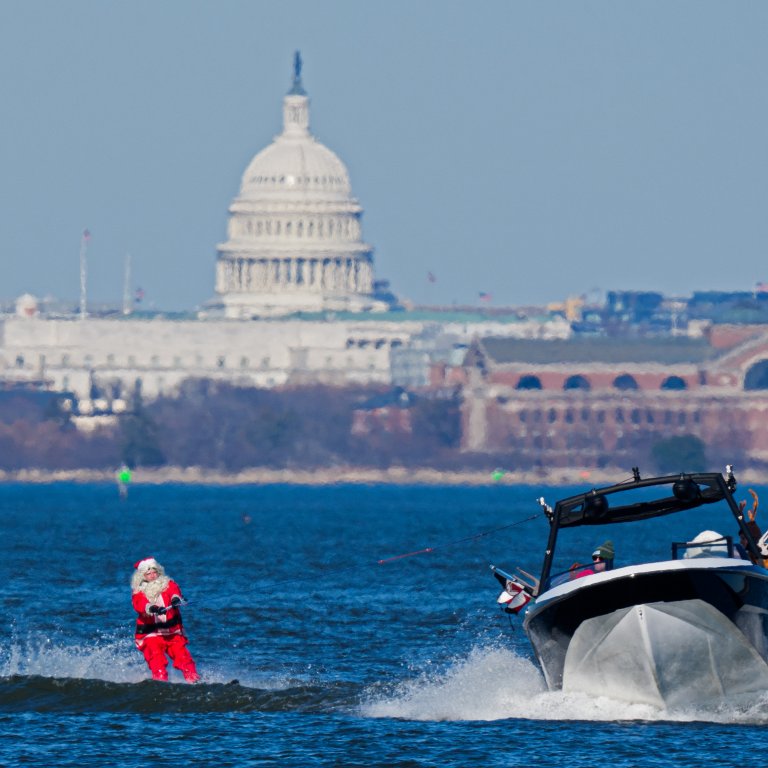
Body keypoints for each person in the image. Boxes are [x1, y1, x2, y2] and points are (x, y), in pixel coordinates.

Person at [131, 557, 200, 683]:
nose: (152, 575)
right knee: (156, 659)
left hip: (172, 633)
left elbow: (175, 591)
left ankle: (194, 680)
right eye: (148, 573)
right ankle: (160, 682)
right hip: (151, 634)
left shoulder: (168, 584)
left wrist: (175, 599)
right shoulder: (138, 592)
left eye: (154, 572)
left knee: (184, 657)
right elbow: (139, 604)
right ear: (142, 576)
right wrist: (152, 608)